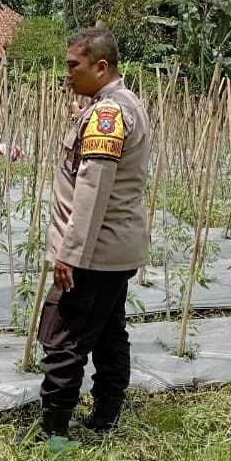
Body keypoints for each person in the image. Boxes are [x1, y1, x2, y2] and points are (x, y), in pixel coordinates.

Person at [31, 28, 152, 439]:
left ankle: (54, 436)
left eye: (73, 65)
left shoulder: (108, 114)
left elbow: (93, 188)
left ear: (101, 68)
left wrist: (70, 254)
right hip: (115, 249)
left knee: (63, 337)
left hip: (94, 253)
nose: (67, 74)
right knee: (108, 332)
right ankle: (105, 421)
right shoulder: (115, 105)